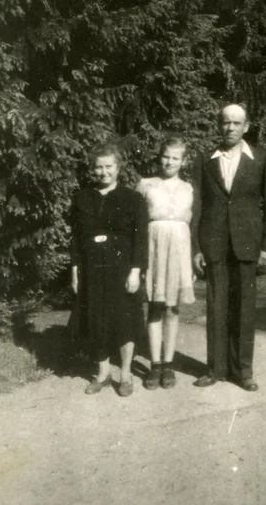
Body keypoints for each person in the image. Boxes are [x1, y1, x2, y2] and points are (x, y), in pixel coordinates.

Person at [191, 103, 266, 391]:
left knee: (244, 308)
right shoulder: (206, 159)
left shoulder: (262, 158)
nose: (229, 127)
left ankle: (244, 371)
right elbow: (197, 206)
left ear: (247, 127)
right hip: (214, 244)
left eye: (236, 123)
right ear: (219, 125)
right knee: (216, 307)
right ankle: (215, 369)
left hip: (247, 245)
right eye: (225, 122)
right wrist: (196, 247)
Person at [70, 143, 148, 397]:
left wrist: (136, 270)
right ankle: (102, 373)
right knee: (95, 319)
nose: (103, 172)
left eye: (108, 166)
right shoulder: (82, 198)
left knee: (124, 319)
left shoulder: (133, 198)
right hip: (92, 267)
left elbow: (141, 239)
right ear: (92, 169)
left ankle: (125, 374)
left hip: (122, 267)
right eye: (98, 167)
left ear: (118, 168)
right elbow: (75, 238)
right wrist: (74, 271)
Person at [137, 135, 195, 390]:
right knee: (155, 307)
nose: (169, 162)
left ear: (183, 161)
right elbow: (137, 226)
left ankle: (168, 363)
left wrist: (191, 262)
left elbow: (192, 224)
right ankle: (154, 365)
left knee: (172, 308)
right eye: (165, 156)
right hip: (153, 249)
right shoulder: (146, 185)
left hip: (179, 251)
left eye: (175, 158)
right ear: (159, 157)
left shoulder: (189, 188)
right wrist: (138, 262)